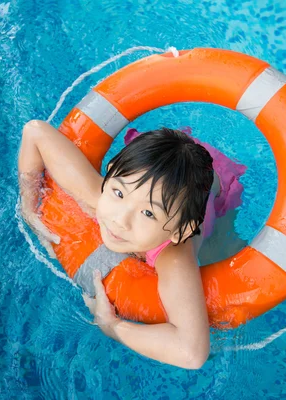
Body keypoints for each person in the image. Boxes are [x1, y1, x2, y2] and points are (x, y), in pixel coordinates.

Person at [18, 120, 245, 369]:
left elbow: (192, 353)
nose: (119, 220)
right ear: (111, 172)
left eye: (148, 213)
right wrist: (30, 209)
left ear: (181, 230)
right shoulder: (97, 196)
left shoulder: (175, 256)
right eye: (118, 193)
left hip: (212, 183)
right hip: (162, 161)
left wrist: (113, 326)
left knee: (222, 260)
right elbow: (35, 131)